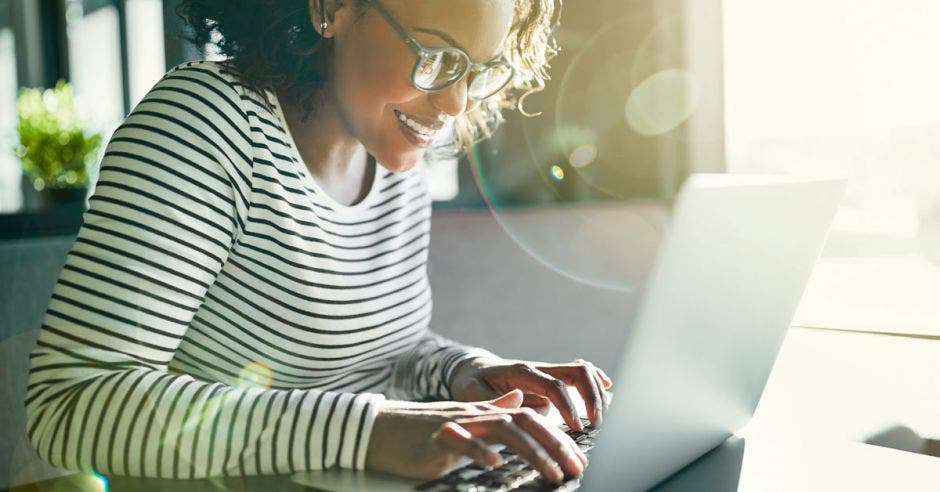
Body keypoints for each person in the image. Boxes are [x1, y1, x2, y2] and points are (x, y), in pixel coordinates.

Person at [25, 0, 612, 484]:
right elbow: (69, 404)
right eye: (435, 57)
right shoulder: (204, 126)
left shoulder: (391, 152)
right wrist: (368, 431)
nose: (456, 105)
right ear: (330, 8)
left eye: (480, 71)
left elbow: (381, 356)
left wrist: (466, 375)